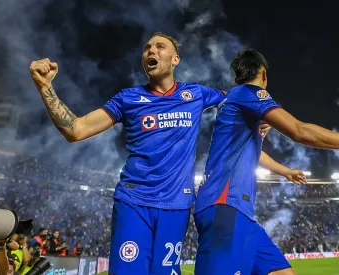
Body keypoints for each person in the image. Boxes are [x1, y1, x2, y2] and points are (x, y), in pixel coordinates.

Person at [29, 32, 228, 275]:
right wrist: (45, 86)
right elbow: (77, 130)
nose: (151, 51)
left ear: (175, 59)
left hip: (177, 206)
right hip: (135, 202)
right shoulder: (128, 98)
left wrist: (260, 118)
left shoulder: (195, 93)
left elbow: (234, 100)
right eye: (147, 48)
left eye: (160, 47)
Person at [194, 49, 339, 275]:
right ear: (264, 75)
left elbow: (251, 154)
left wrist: (284, 171)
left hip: (240, 212)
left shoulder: (236, 103)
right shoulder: (249, 93)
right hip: (225, 205)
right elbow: (299, 130)